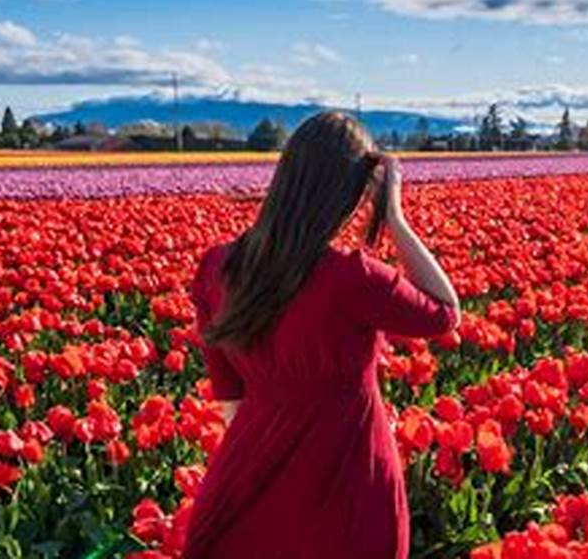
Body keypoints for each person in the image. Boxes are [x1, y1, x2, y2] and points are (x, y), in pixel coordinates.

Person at [182, 111, 460, 559]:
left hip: (251, 467)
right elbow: (445, 314)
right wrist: (394, 218)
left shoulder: (218, 268)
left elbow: (230, 401)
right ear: (352, 193)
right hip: (349, 472)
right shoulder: (352, 278)